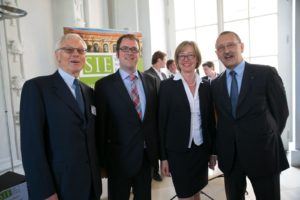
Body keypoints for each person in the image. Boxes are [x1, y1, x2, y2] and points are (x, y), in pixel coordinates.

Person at [20, 33, 102, 200]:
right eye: (69, 50)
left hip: (91, 186)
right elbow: (32, 147)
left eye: (81, 50)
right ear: (57, 55)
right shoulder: (37, 88)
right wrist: (45, 191)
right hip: (60, 188)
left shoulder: (89, 92)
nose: (76, 54)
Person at [211, 31, 289, 200]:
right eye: (221, 48)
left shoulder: (266, 74)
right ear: (217, 53)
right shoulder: (215, 85)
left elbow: (281, 112)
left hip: (263, 154)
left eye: (231, 45)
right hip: (231, 158)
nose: (226, 51)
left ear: (242, 47)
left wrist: (266, 137)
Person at [95, 34, 159, 200]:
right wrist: (102, 163)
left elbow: (155, 121)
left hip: (146, 158)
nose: (130, 53)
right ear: (117, 53)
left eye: (134, 49)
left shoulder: (152, 82)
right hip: (118, 161)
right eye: (125, 49)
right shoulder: (104, 86)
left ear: (139, 53)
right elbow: (101, 127)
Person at [159, 41, 217, 200]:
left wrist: (212, 151)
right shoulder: (167, 87)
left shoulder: (206, 86)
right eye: (182, 55)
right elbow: (161, 123)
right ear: (177, 60)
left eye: (190, 55)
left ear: (197, 59)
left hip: (201, 150)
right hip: (178, 152)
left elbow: (210, 122)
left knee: (197, 191)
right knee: (185, 194)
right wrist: (163, 157)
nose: (186, 59)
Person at [143, 50, 167, 182]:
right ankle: (153, 171)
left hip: (162, 113)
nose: (165, 62)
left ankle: (160, 166)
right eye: (164, 59)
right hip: (152, 115)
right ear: (158, 59)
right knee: (152, 142)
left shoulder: (163, 74)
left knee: (159, 141)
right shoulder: (147, 74)